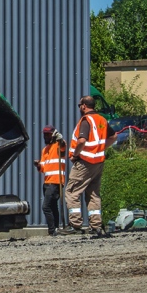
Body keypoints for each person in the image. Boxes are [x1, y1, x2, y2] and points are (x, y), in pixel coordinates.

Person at [60, 96, 116, 238]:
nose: (79, 107)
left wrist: (76, 155)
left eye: (79, 105)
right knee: (93, 193)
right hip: (98, 162)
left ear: (84, 106)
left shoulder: (86, 120)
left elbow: (82, 140)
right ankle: (96, 226)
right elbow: (113, 137)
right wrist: (100, 149)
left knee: (72, 191)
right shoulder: (102, 120)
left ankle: (75, 225)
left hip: (85, 162)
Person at [33, 124, 66, 236]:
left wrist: (60, 138)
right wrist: (38, 165)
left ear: (53, 135)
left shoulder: (58, 146)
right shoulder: (45, 150)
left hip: (56, 181)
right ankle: (55, 228)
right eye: (44, 134)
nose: (46, 136)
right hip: (47, 182)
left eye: (48, 134)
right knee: (52, 206)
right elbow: (43, 168)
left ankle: (52, 230)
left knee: (46, 206)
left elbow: (63, 145)